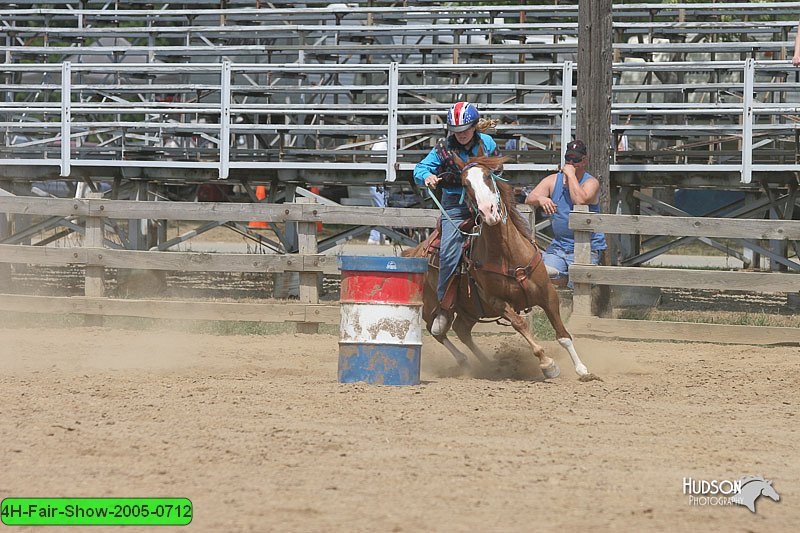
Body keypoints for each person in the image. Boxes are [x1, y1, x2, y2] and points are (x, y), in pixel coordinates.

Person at [413, 101, 500, 335]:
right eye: (457, 131)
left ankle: (531, 271)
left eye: (465, 130)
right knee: (450, 249)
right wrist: (427, 177)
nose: (461, 135)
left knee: (514, 226)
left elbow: (498, 168)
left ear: (474, 126)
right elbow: (420, 168)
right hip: (456, 205)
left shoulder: (487, 143)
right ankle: (444, 306)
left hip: (485, 196)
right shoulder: (442, 148)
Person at [524, 139, 607, 287]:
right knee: (541, 276)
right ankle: (565, 282)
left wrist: (571, 176)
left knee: (580, 283)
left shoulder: (591, 183)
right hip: (559, 246)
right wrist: (542, 199)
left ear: (584, 161)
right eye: (568, 159)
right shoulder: (553, 180)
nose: (571, 163)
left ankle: (569, 283)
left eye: (575, 160)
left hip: (587, 245)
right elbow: (529, 198)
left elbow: (579, 200)